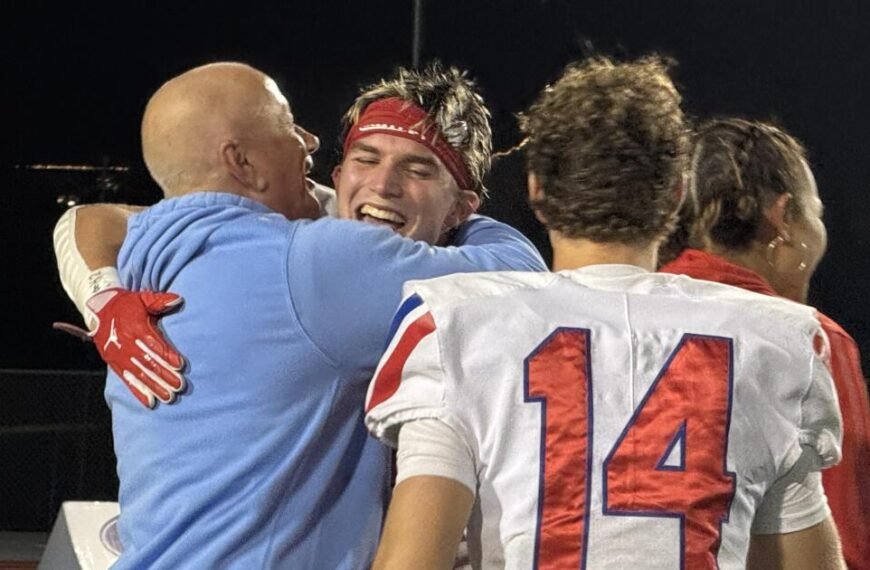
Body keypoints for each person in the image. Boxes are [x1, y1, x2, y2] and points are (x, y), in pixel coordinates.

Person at [52, 61, 545, 569]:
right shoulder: (316, 267)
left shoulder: (152, 251)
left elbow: (91, 218)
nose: (309, 140)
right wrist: (464, 220)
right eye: (289, 127)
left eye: (418, 170)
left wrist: (99, 293)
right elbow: (522, 278)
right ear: (242, 162)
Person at [364, 56, 846, 569]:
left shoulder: (457, 321)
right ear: (676, 196)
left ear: (536, 189)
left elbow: (411, 562)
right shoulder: (772, 338)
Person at [658, 117, 870, 569]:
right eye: (815, 213)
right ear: (783, 218)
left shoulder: (620, 314)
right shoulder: (810, 340)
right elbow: (843, 538)